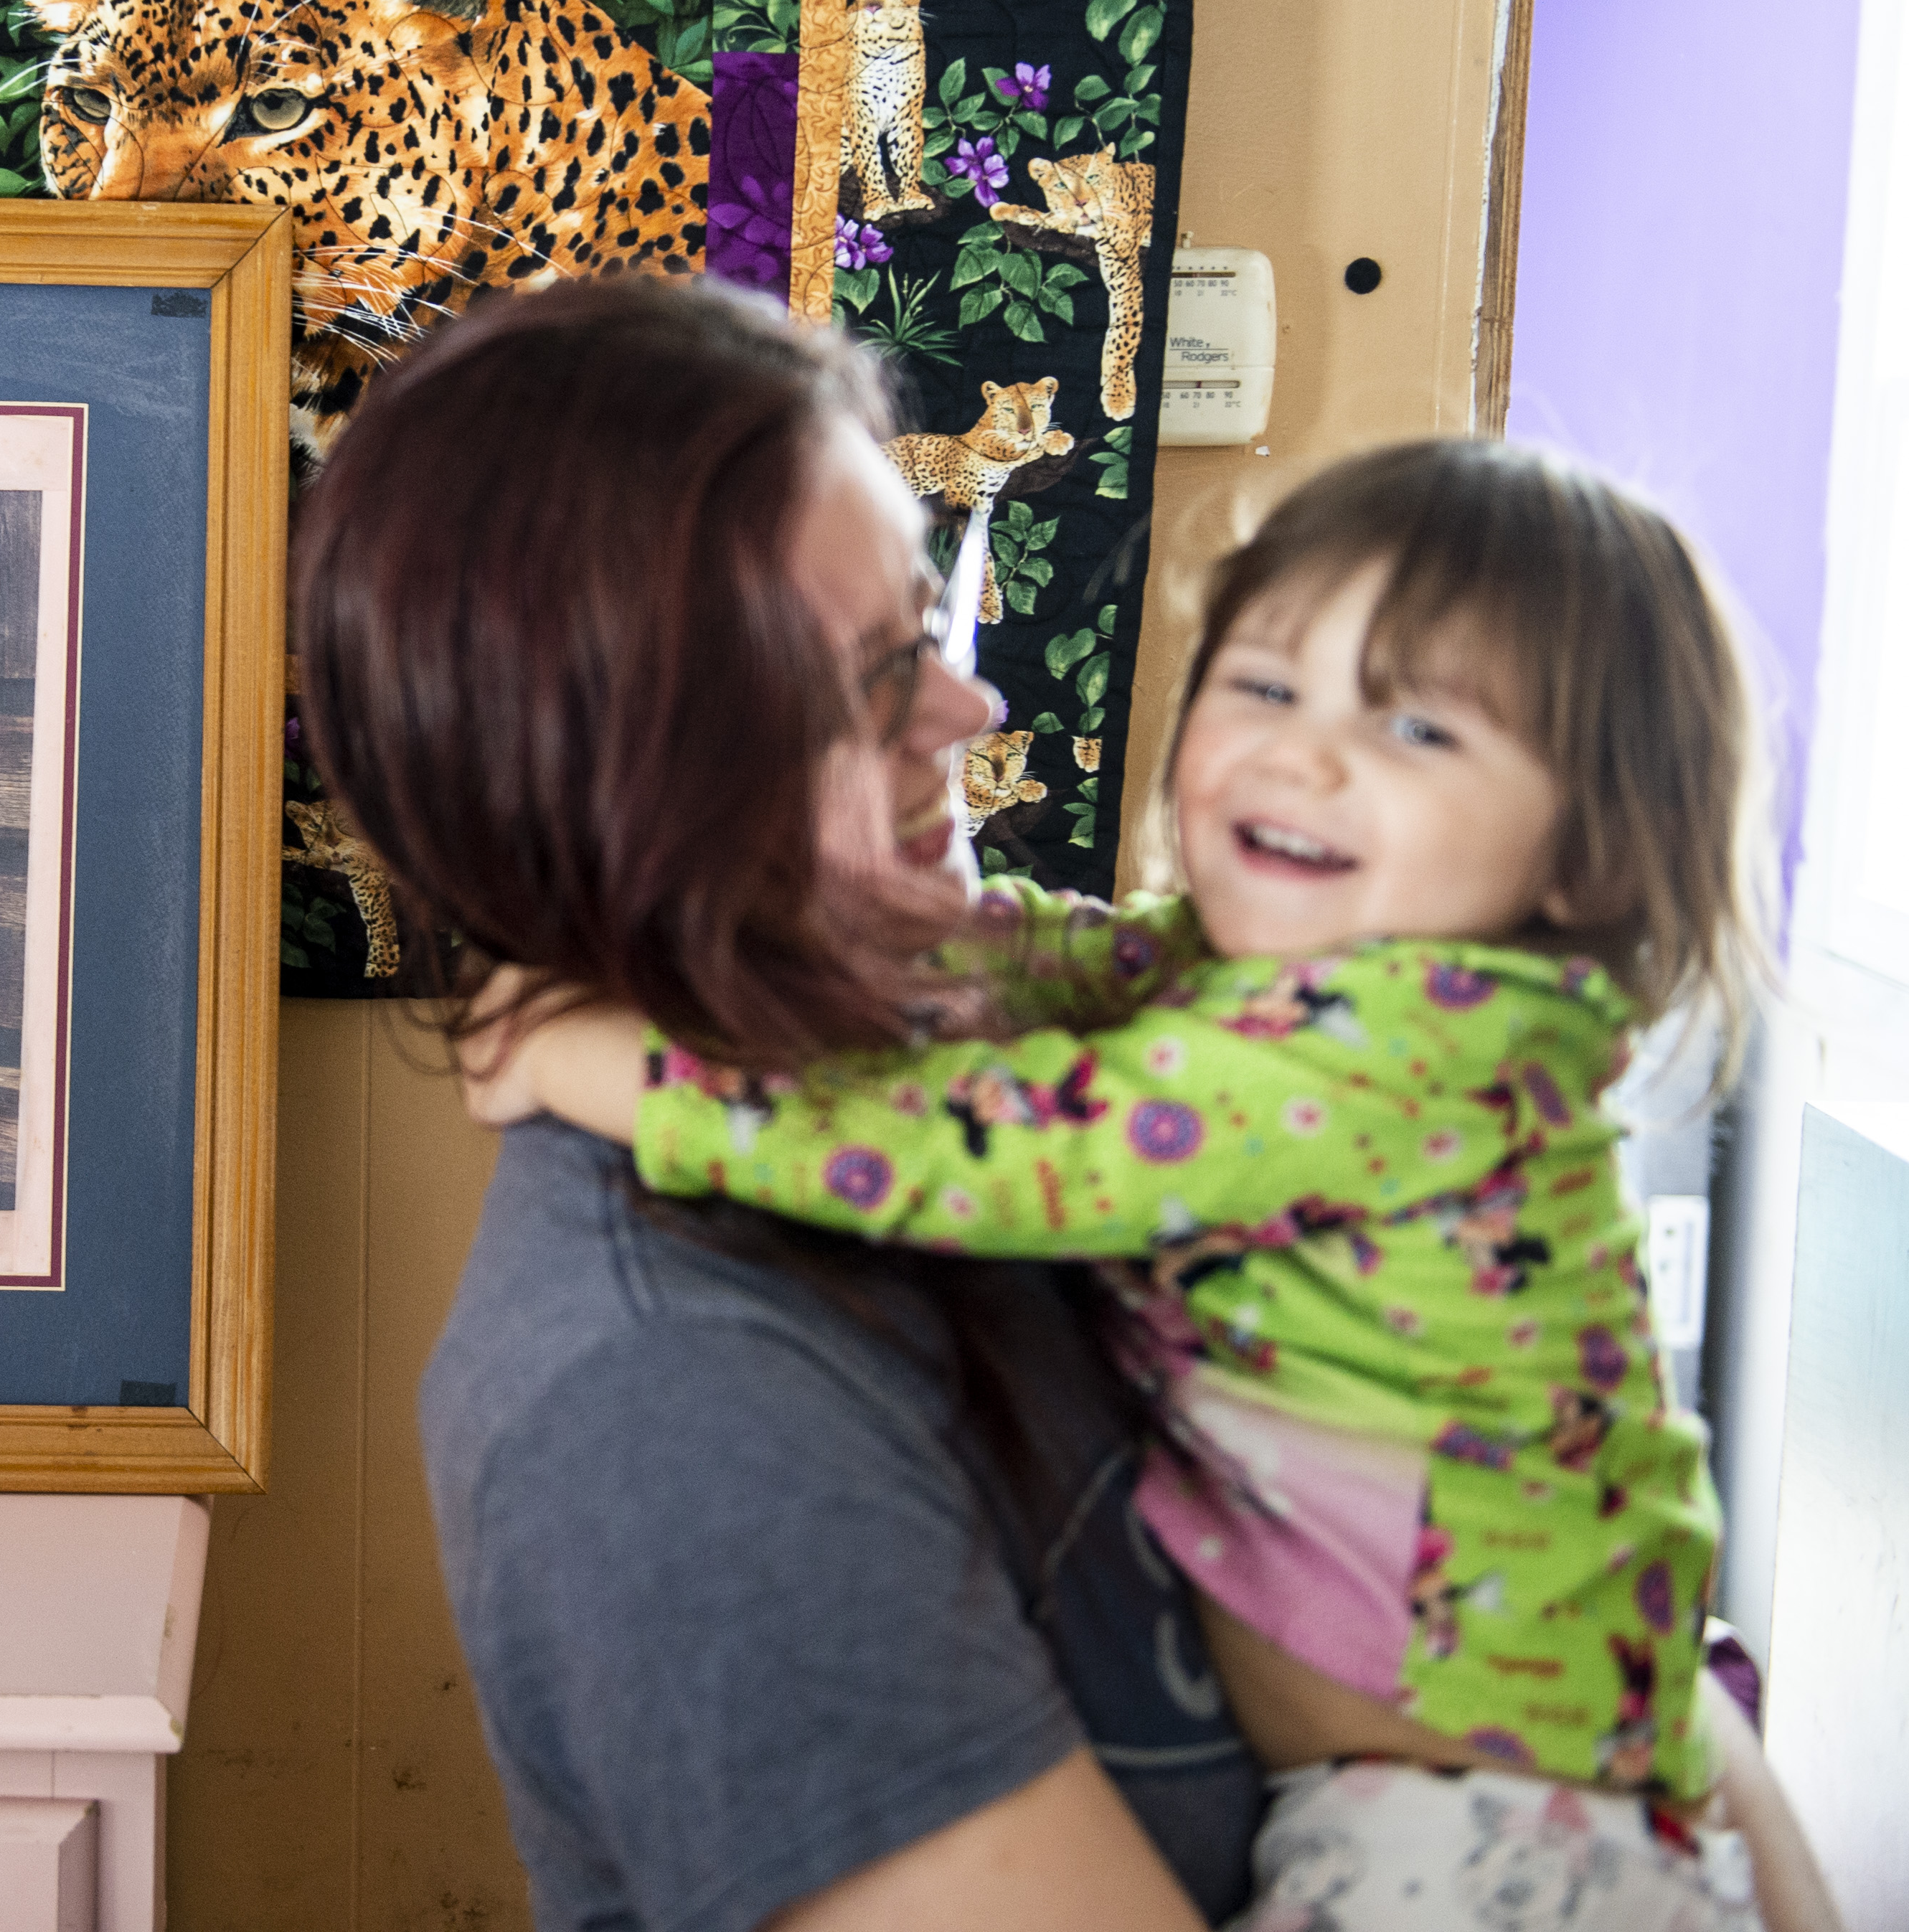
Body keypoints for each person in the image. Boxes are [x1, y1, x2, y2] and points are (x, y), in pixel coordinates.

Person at [481, 441, 1845, 1928]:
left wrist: (610, 1064)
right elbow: (1068, 955)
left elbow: (998, 1144)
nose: (1302, 754)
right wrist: (888, 957)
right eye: (1262, 683)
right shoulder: (1274, 988)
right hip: (1453, 1780)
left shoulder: (1394, 1045)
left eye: (1413, 724)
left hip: (1481, 1826)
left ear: (1585, 857)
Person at [299, 272, 1265, 1928]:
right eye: (880, 678)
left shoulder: (962, 1032)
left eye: (934, 629)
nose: (975, 711)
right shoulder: (669, 1393)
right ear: (623, 773)